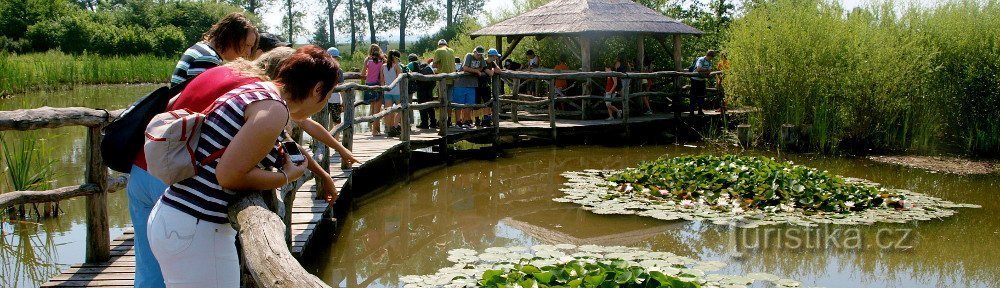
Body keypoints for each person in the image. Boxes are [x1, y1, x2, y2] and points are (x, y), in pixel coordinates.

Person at [148, 45, 340, 287]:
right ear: (317, 89)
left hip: (177, 217)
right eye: (329, 93)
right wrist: (285, 176)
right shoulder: (273, 109)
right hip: (197, 227)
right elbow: (228, 175)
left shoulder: (258, 92)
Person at [131, 13, 258, 288]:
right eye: (247, 46)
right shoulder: (210, 63)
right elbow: (208, 116)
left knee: (149, 268)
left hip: (146, 162)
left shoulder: (196, 52)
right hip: (168, 167)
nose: (249, 54)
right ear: (232, 37)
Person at [169, 12, 258, 87]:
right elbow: (198, 100)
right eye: (246, 45)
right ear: (231, 38)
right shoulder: (208, 58)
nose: (248, 52)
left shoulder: (201, 49)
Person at [454, 46, 487, 129]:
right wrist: (476, 71)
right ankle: (458, 122)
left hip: (472, 84)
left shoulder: (481, 58)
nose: (479, 56)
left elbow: (482, 67)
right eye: (478, 54)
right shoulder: (469, 56)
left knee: (469, 104)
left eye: (481, 55)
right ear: (474, 52)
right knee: (459, 104)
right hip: (461, 83)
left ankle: (466, 121)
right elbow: (465, 68)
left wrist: (474, 70)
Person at [360, 44, 386, 136]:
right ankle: (375, 131)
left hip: (368, 85)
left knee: (372, 108)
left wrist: (368, 74)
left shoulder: (367, 60)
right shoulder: (382, 60)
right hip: (377, 84)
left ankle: (374, 129)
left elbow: (362, 74)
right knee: (377, 109)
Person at [408, 54, 438, 129]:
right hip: (431, 81)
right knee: (429, 101)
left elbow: (406, 71)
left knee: (421, 102)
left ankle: (424, 123)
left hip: (422, 83)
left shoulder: (412, 63)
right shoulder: (422, 63)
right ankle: (433, 122)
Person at [432, 39, 455, 128]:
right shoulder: (451, 51)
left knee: (442, 100)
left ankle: (442, 120)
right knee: (449, 101)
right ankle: (449, 120)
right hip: (452, 78)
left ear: (439, 45)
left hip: (442, 80)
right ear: (446, 44)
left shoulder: (439, 51)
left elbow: (434, 65)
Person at [478, 48, 502, 127]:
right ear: (492, 56)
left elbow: (499, 70)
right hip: (480, 85)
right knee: (483, 102)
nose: (497, 58)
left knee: (489, 102)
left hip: (487, 85)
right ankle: (483, 119)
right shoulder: (483, 62)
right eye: (496, 56)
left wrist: (492, 70)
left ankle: (487, 118)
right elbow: (491, 73)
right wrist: (492, 69)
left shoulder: (493, 62)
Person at [383, 50, 404, 137]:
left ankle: (388, 128)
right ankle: (395, 126)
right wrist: (397, 64)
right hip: (396, 91)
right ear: (395, 57)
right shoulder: (396, 66)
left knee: (388, 111)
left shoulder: (383, 66)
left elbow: (382, 79)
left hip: (387, 91)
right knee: (401, 109)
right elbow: (400, 77)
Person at [690, 50, 715, 115]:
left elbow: (709, 71)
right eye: (711, 57)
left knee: (701, 96)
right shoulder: (701, 59)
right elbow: (698, 69)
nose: (711, 59)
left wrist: (703, 71)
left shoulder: (709, 62)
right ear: (708, 55)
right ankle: (691, 112)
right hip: (695, 80)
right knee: (693, 96)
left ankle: (700, 111)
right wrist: (706, 71)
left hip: (702, 80)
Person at [326, 47, 345, 125]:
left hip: (323, 101)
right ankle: (335, 137)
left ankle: (324, 137)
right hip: (335, 100)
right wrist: (343, 101)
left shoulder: (321, 70)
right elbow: (342, 88)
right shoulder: (339, 71)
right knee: (336, 123)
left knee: (323, 122)